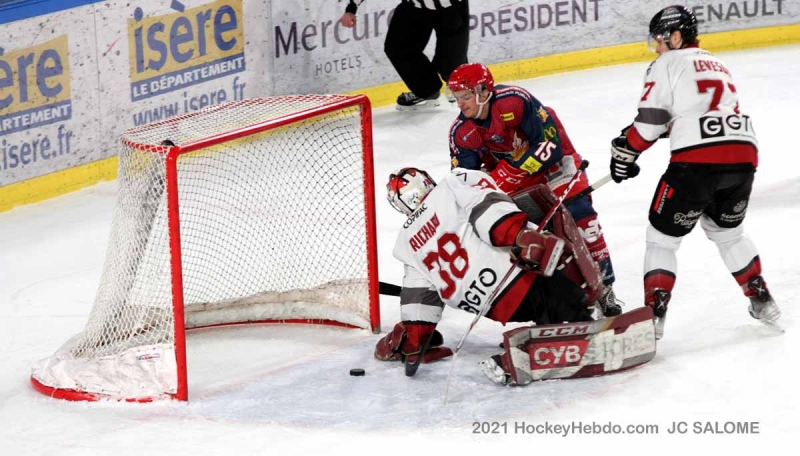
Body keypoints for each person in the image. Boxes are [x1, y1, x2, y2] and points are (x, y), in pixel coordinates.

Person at [608, 5, 781, 339]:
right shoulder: (716, 62)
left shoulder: (667, 62)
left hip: (697, 165)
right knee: (728, 233)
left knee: (661, 239)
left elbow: (651, 122)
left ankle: (654, 315)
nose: (656, 48)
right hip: (744, 157)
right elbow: (701, 116)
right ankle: (761, 298)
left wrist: (627, 149)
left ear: (675, 36)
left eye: (659, 40)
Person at [376, 167, 601, 373]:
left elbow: (419, 301)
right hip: (517, 277)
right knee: (558, 280)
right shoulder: (451, 185)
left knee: (542, 298)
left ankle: (549, 326)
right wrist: (519, 235)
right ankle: (580, 329)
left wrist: (414, 343)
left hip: (493, 307)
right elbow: (486, 209)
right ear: (425, 182)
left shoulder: (405, 242)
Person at [446, 62, 623, 317]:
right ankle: (566, 301)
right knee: (532, 240)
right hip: (516, 180)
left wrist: (512, 171)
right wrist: (495, 182)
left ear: (484, 92)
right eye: (457, 98)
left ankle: (605, 286)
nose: (460, 104)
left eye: (465, 96)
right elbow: (466, 181)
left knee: (583, 219)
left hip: (554, 168)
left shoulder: (514, 101)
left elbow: (550, 144)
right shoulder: (461, 133)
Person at [339, 1, 469, 110]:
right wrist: (352, 7)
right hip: (414, 6)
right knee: (398, 47)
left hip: (451, 7)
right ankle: (427, 90)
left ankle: (457, 83)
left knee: (451, 62)